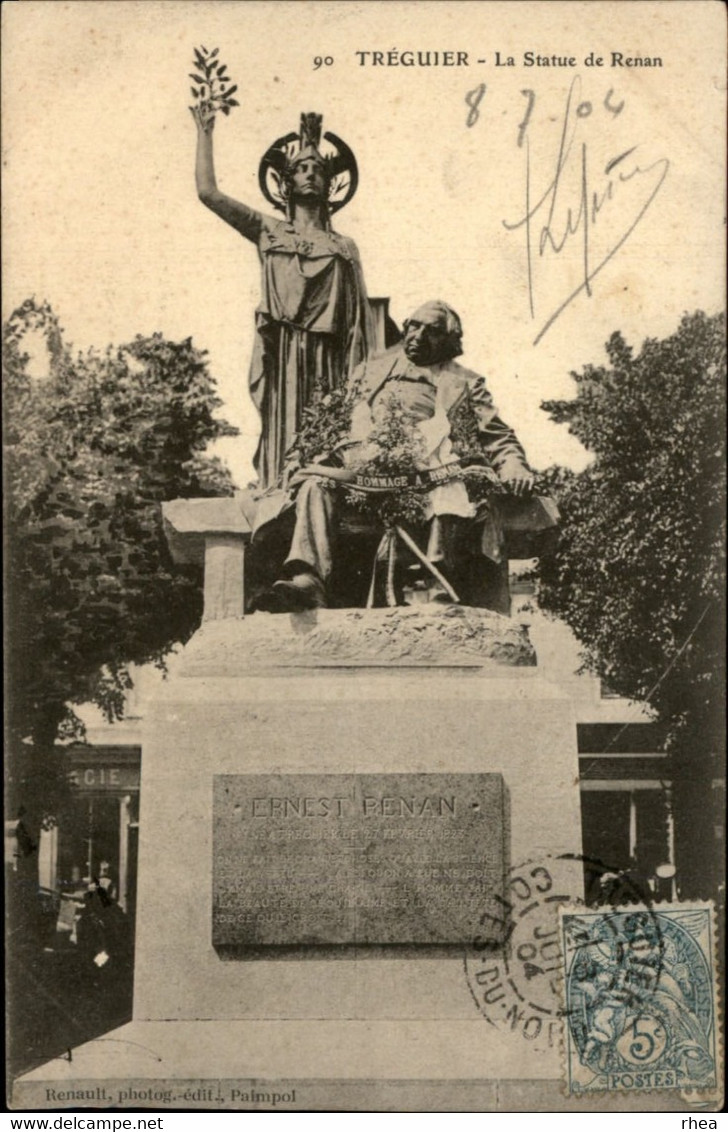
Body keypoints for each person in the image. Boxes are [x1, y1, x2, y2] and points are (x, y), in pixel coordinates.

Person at [262, 300, 536, 613]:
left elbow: (497, 435)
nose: (418, 335)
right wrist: (306, 456)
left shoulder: (467, 382)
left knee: (451, 487)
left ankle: (440, 586)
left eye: (432, 331)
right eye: (413, 325)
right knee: (315, 485)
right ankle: (308, 580)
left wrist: (514, 465)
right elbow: (332, 419)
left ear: (449, 341)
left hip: (429, 471)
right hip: (364, 473)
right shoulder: (368, 371)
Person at [192, 107, 374, 490]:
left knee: (330, 445)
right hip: (287, 356)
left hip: (333, 361)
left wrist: (361, 379)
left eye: (319, 170)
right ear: (286, 183)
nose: (311, 174)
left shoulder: (344, 245)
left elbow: (361, 320)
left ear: (330, 184)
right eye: (302, 169)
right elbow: (208, 193)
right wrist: (205, 132)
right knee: (287, 443)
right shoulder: (267, 230)